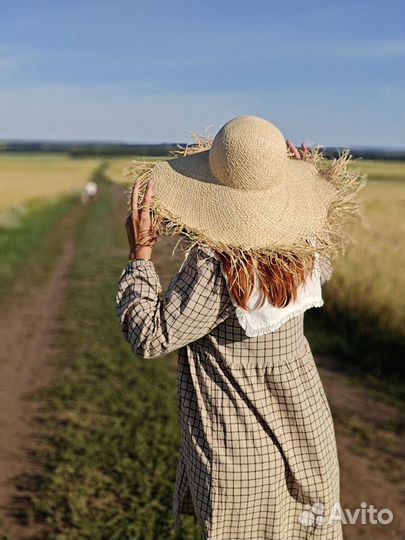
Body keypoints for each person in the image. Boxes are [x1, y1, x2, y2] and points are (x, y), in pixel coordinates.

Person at [115, 115, 366, 540]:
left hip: (240, 447)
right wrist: (308, 179)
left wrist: (140, 254)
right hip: (308, 433)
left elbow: (151, 335)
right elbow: (319, 259)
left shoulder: (217, 267)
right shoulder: (304, 245)